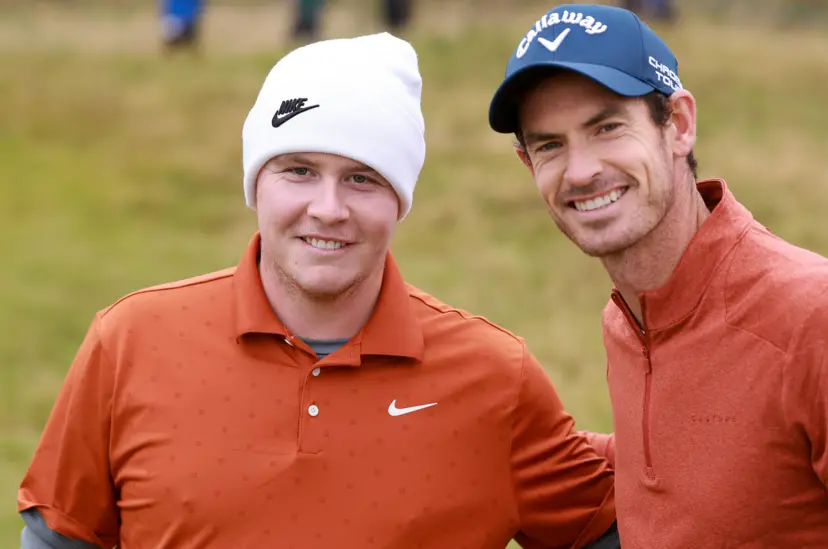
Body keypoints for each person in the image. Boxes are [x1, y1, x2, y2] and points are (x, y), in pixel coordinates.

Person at [18, 32, 621, 549]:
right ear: (257, 184)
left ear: (399, 201)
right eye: (299, 170)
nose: (327, 209)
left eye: (361, 178)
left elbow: (642, 515)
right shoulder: (130, 342)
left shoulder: (495, 378)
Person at [487, 3, 828, 547]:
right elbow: (707, 461)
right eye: (550, 145)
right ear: (528, 164)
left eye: (607, 127)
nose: (581, 170)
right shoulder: (629, 319)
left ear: (679, 126)